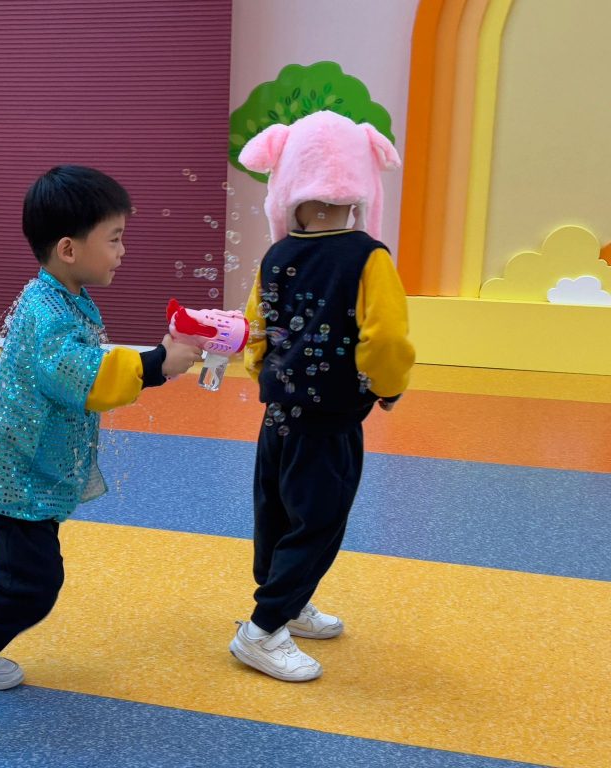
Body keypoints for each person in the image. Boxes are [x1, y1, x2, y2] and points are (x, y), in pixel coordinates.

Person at [0, 165, 203, 725]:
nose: (123, 251)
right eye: (114, 238)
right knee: (33, 584)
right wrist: (157, 365)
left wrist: (158, 359)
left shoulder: (65, 296)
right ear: (69, 248)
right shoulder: (47, 312)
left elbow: (89, 364)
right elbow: (81, 374)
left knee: (17, 575)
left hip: (28, 470)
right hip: (15, 475)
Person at [230, 111, 416, 682]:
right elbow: (386, 338)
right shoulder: (370, 257)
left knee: (276, 512)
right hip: (331, 421)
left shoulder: (276, 254)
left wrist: (266, 376)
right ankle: (263, 629)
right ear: (361, 186)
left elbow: (255, 327)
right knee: (319, 521)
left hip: (278, 416)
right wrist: (387, 388)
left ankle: (288, 603)